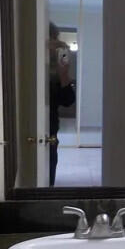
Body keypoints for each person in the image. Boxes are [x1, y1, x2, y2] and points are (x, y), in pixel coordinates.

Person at [48, 22, 76, 186]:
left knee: (49, 177)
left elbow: (67, 101)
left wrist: (64, 74)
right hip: (35, 134)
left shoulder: (55, 74)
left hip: (50, 135)